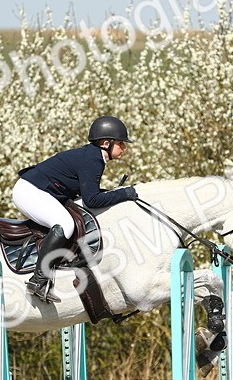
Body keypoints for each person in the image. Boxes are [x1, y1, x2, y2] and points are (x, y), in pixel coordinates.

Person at [12, 115, 139, 302]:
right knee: (65, 224)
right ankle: (38, 280)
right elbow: (92, 200)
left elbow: (87, 193)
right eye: (121, 143)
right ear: (106, 143)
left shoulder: (93, 156)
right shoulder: (93, 160)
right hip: (29, 192)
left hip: (39, 190)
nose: (124, 148)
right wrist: (124, 194)